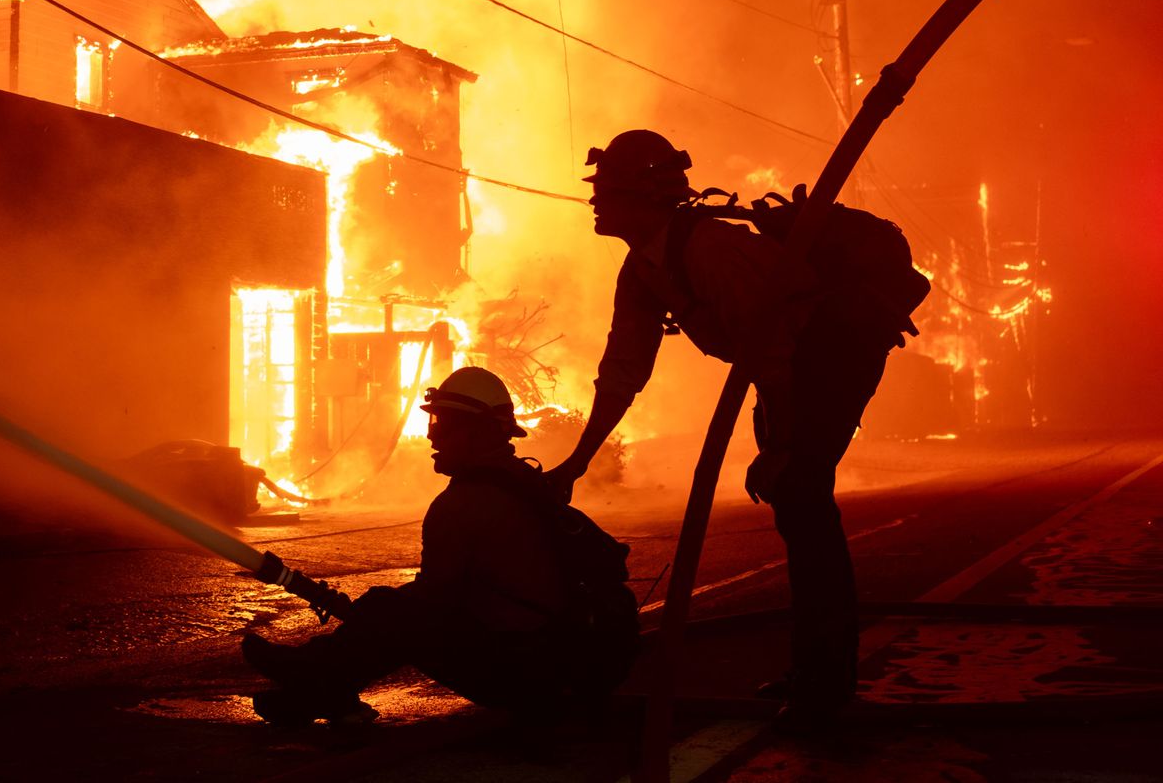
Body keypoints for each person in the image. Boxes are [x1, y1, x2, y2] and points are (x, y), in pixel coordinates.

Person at [543, 129, 895, 730]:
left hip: (829, 360)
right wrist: (579, 460)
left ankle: (826, 687)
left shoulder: (709, 250)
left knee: (805, 505)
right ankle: (816, 673)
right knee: (797, 510)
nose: (595, 202)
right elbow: (624, 369)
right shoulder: (644, 268)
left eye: (608, 191)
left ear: (646, 197)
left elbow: (782, 348)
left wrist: (784, 446)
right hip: (784, 370)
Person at [241, 366, 617, 725]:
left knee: (393, 614)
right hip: (555, 663)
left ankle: (309, 681)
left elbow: (432, 604)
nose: (431, 436)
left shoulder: (463, 504)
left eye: (444, 424)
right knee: (389, 610)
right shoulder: (524, 481)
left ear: (479, 432)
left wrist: (368, 614)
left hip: (524, 674)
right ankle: (311, 687)